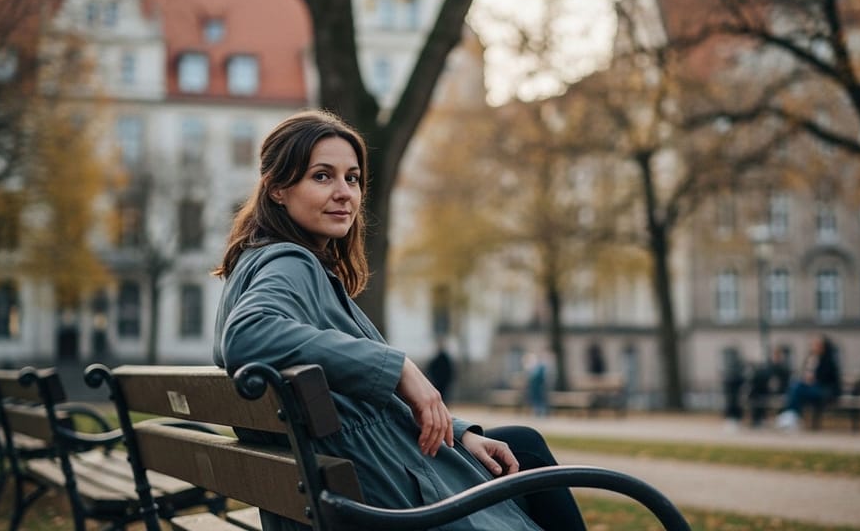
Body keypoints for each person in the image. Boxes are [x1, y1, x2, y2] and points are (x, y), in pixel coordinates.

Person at [212, 110, 585, 531]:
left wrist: (458, 431)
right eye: (322, 176)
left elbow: (357, 404)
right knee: (528, 451)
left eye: (351, 178)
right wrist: (398, 367)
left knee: (520, 445)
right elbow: (247, 335)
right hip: (390, 500)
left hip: (361, 482)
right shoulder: (290, 262)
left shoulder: (260, 261)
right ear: (278, 188)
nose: (344, 193)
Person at [775, 334, 841, 431]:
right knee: (796, 387)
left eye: (815, 345)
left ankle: (790, 416)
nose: (813, 347)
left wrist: (814, 379)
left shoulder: (828, 361)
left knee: (796, 388)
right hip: (809, 389)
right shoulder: (811, 358)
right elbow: (804, 374)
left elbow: (830, 379)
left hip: (824, 390)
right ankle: (791, 416)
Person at [748, 345, 792, 428]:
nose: (776, 357)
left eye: (778, 355)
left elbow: (785, 384)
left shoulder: (784, 369)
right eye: (774, 355)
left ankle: (782, 420)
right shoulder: (766, 368)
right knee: (756, 395)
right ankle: (758, 419)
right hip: (764, 392)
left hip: (780, 392)